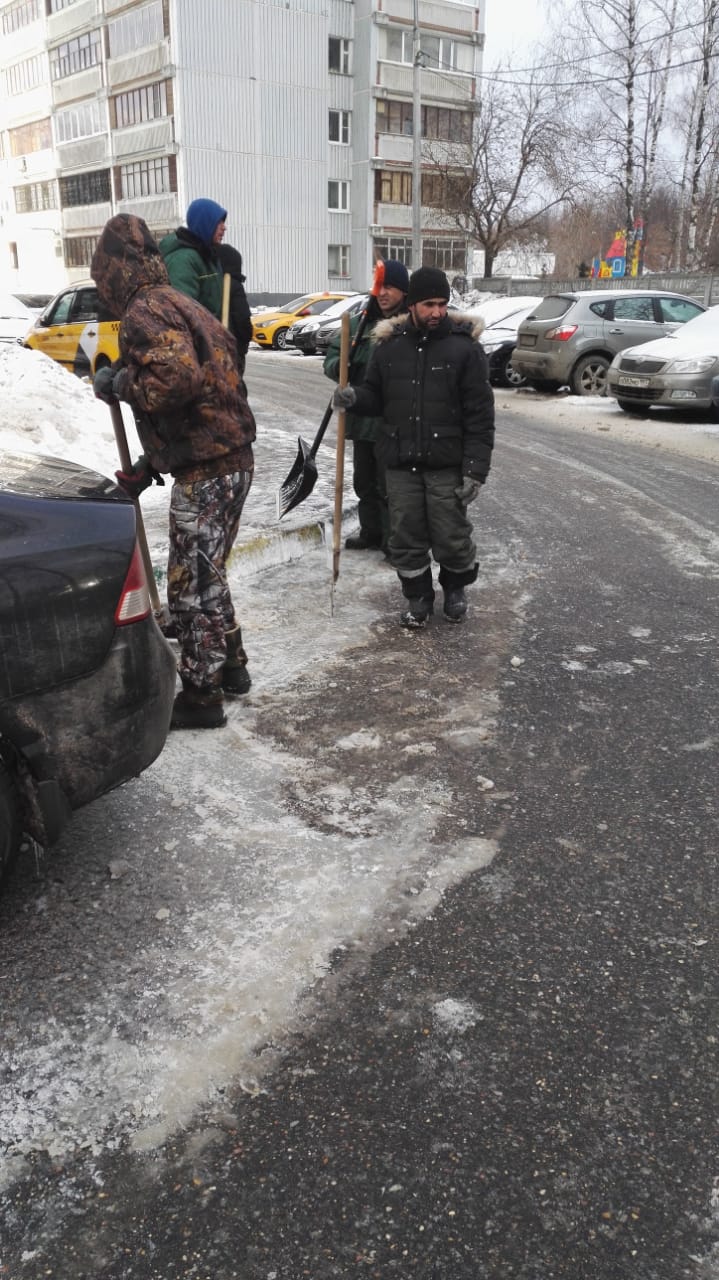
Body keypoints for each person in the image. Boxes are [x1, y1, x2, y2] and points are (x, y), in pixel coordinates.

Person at [90, 213, 257, 730]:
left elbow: (175, 380)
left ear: (114, 271)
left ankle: (202, 697)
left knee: (189, 586)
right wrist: (153, 462)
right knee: (211, 575)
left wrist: (120, 384)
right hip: (231, 461)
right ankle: (231, 665)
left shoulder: (145, 309)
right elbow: (209, 387)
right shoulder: (182, 302)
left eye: (102, 279)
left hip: (206, 472)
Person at [332, 266, 494, 629]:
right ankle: (417, 596)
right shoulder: (390, 347)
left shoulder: (465, 350)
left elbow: (480, 418)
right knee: (405, 536)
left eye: (442, 304)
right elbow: (375, 395)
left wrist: (474, 471)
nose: (437, 312)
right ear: (413, 306)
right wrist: (354, 397)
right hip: (401, 461)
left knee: (451, 535)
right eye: (428, 305)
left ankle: (454, 589)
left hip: (446, 462)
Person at [323, 259, 409, 553]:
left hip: (391, 421)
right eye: (379, 287)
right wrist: (341, 366)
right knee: (364, 482)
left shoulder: (407, 326)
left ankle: (393, 540)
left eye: (390, 287)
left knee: (390, 487)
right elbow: (333, 356)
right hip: (361, 420)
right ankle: (371, 531)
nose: (383, 293)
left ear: (403, 292)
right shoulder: (360, 323)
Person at [159, 199, 252, 374]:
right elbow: (183, 315)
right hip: (200, 360)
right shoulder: (184, 260)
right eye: (219, 222)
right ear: (205, 223)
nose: (224, 228)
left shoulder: (206, 257)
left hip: (213, 354)